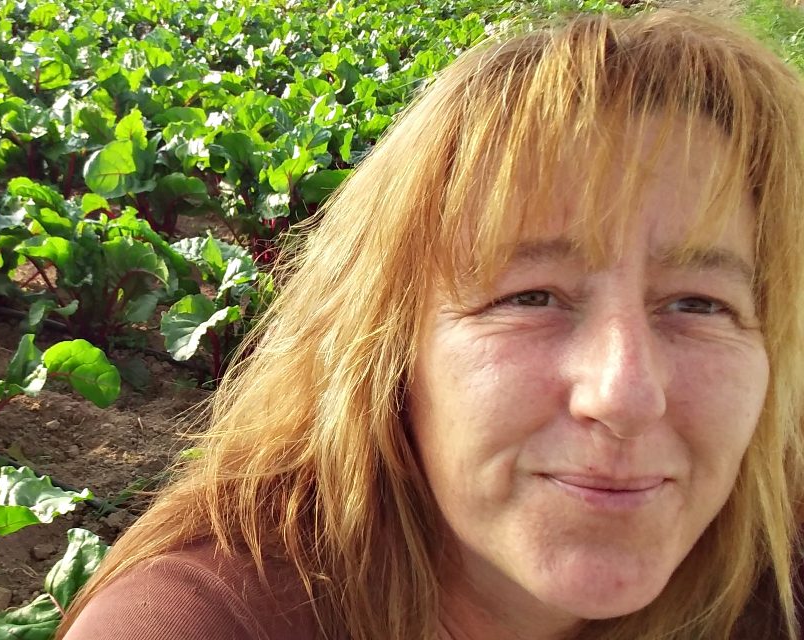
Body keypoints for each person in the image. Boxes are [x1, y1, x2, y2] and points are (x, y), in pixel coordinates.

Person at [58, 9, 804, 640]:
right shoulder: (197, 622)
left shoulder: (775, 576)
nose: (625, 394)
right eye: (531, 297)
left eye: (700, 304)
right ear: (390, 349)